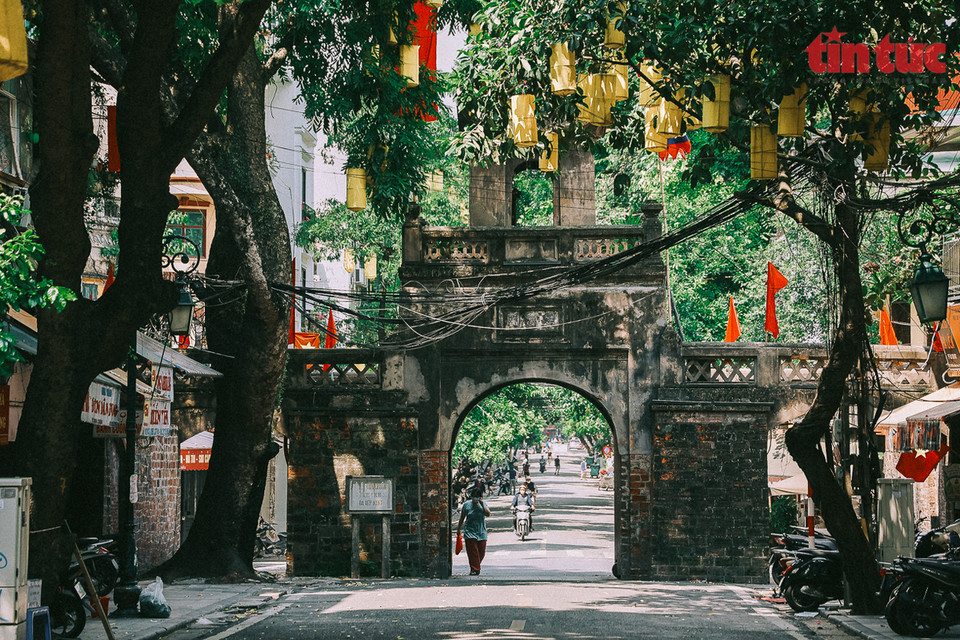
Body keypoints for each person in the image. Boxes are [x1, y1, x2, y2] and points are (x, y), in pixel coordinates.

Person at [457, 488, 490, 575]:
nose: (475, 498)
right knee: (472, 551)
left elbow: (488, 514)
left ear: (480, 497)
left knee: (481, 552)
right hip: (469, 531)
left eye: (477, 496)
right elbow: (462, 518)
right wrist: (458, 529)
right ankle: (476, 569)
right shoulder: (467, 505)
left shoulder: (483, 504)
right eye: (474, 496)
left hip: (481, 531)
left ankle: (474, 567)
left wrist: (482, 504)